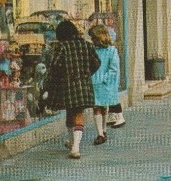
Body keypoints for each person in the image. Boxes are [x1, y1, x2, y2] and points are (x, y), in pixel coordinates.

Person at [44, 20, 100, 159]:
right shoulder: (87, 45)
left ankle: (73, 144)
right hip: (84, 85)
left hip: (67, 85)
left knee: (71, 113)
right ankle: (74, 145)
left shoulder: (62, 47)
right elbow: (97, 62)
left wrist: (52, 82)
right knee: (78, 114)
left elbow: (55, 66)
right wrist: (86, 73)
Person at [88, 25, 121, 145]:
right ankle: (100, 133)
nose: (92, 40)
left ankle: (103, 131)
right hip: (95, 82)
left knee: (102, 107)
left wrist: (104, 79)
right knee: (97, 107)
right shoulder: (93, 50)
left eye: (93, 37)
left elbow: (114, 68)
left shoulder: (111, 50)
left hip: (103, 83)